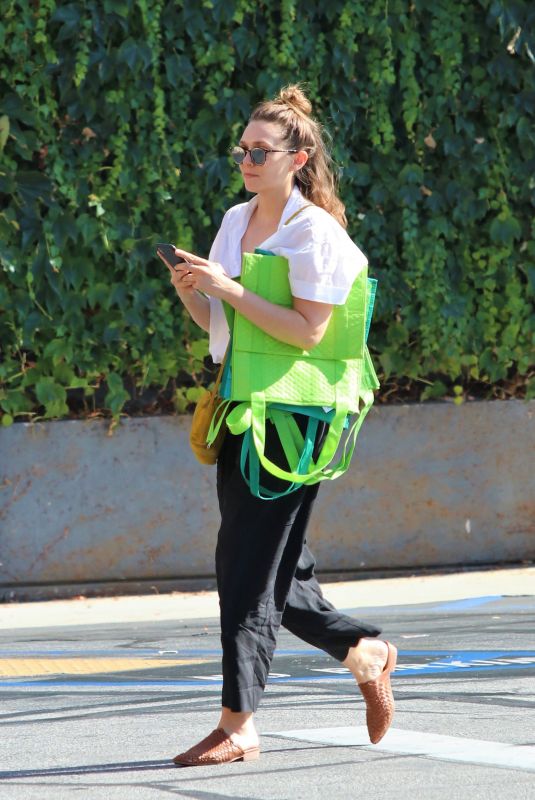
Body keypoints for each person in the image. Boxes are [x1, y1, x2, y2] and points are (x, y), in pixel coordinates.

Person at [158, 84, 397, 767]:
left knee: (244, 567)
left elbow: (306, 331)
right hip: (242, 406)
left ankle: (238, 723)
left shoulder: (313, 233)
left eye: (259, 150)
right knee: (276, 569)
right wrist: (198, 298)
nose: (246, 159)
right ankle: (364, 651)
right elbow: (224, 332)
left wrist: (230, 289)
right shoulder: (235, 223)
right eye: (242, 149)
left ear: (298, 157)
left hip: (293, 420)